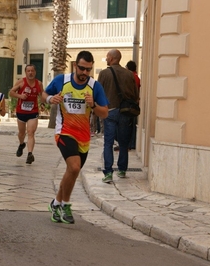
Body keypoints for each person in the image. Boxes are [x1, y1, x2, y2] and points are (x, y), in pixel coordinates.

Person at [42, 51, 108, 224]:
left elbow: (105, 113)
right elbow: (43, 95)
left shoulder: (95, 87)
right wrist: (50, 99)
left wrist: (93, 104)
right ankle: (65, 205)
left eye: (88, 69)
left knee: (72, 171)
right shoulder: (61, 81)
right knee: (74, 166)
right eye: (81, 68)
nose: (84, 73)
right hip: (64, 132)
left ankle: (55, 203)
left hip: (84, 137)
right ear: (75, 66)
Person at [98, 49, 139, 183]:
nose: (106, 58)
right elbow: (135, 94)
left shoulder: (104, 73)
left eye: (107, 56)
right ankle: (122, 170)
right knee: (123, 143)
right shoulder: (129, 74)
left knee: (108, 142)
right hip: (125, 111)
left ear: (111, 58)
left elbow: (98, 93)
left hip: (110, 111)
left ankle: (108, 172)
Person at [9, 64, 43, 164]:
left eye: (32, 71)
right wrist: (20, 95)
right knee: (21, 133)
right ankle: (21, 144)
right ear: (26, 72)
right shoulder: (21, 82)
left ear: (35, 72)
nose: (30, 73)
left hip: (33, 111)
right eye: (28, 71)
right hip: (21, 111)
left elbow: (42, 94)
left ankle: (30, 154)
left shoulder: (39, 83)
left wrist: (43, 103)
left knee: (30, 132)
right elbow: (11, 92)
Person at [126, 60, 140, 150]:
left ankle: (130, 144)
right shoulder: (136, 77)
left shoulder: (131, 77)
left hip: (130, 104)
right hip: (134, 103)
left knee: (129, 125)